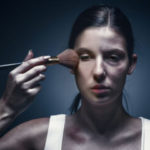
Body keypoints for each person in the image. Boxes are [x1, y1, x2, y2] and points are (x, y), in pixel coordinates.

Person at [0, 4, 150, 150]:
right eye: (85, 57)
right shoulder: (34, 138)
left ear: (131, 64)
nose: (98, 72)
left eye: (113, 57)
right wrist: (6, 109)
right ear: (70, 64)